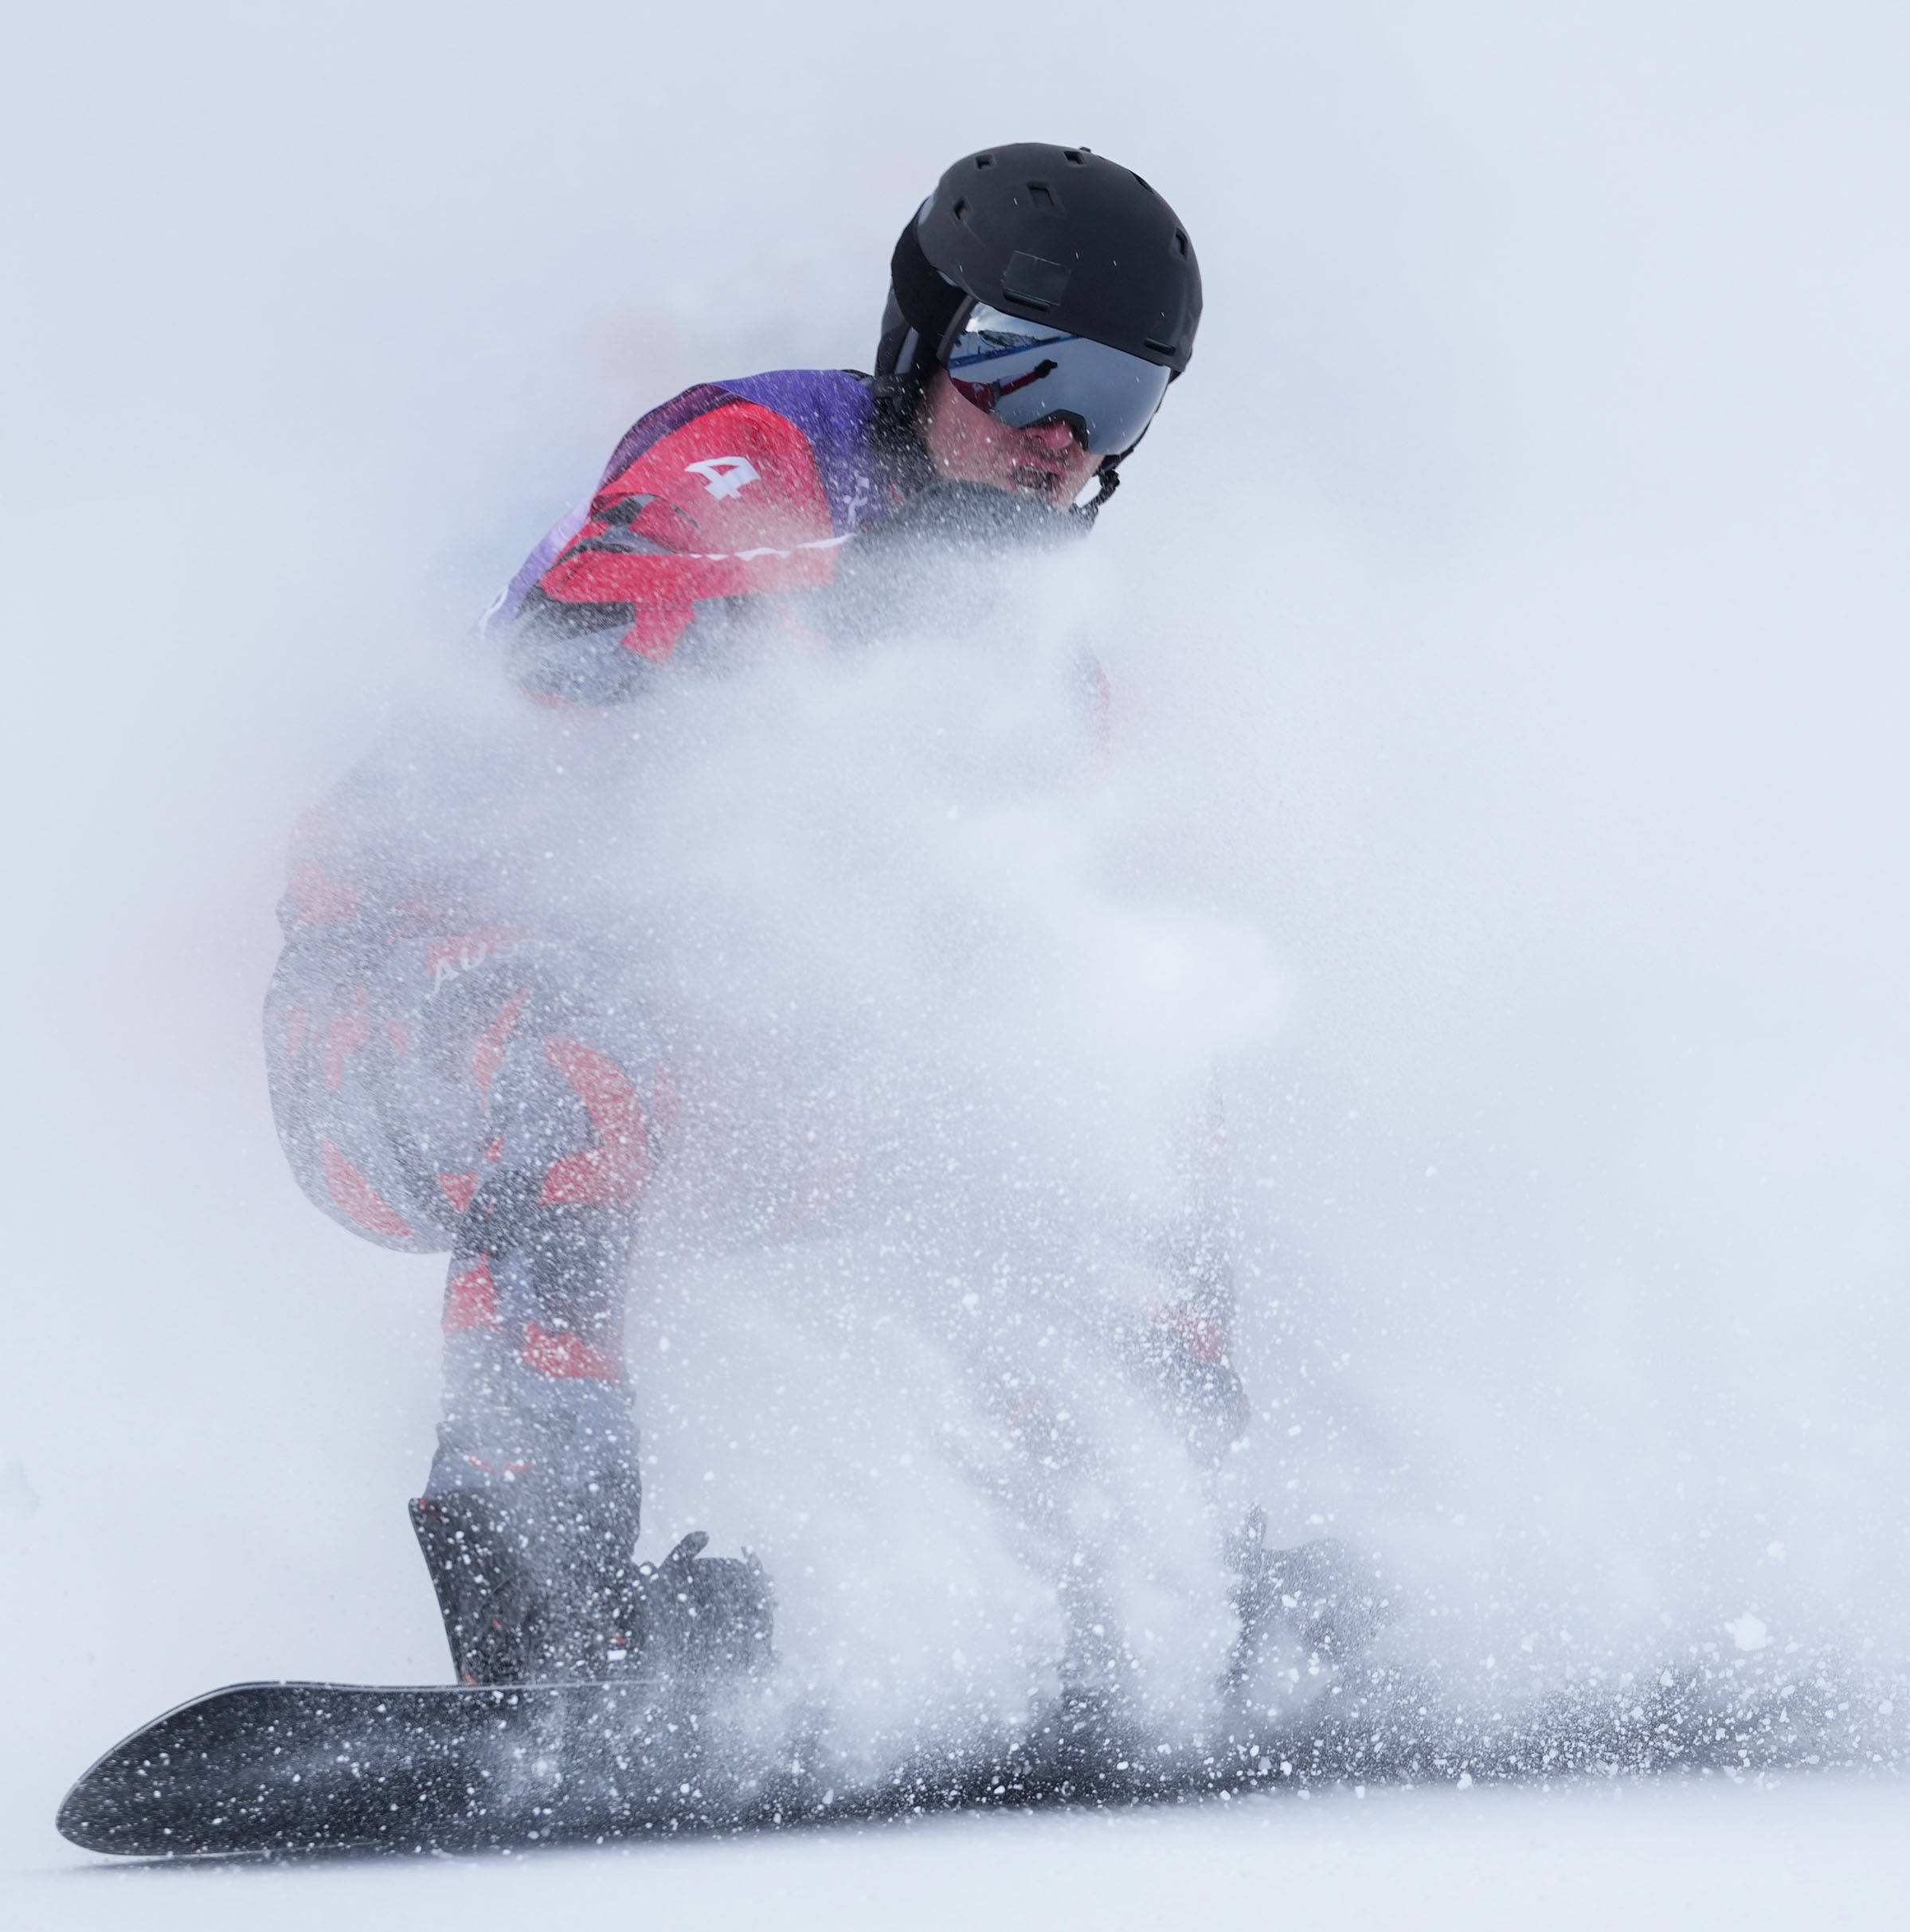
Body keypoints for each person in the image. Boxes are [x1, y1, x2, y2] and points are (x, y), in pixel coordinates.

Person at [264, 143, 1240, 1688]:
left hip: (720, 1082)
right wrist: (768, 621)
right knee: (575, 1055)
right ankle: (543, 1625)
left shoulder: (1039, 658)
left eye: (1113, 403)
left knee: (1104, 1091)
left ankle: (1148, 1579)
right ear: (923, 337)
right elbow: (547, 685)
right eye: (1020, 367)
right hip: (388, 1021)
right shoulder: (754, 465)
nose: (1058, 439)